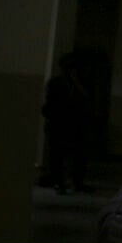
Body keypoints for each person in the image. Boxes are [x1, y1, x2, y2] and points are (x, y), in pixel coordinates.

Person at [40, 51, 97, 194]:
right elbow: (51, 104)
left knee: (77, 156)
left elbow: (87, 101)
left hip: (75, 124)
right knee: (58, 156)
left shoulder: (82, 83)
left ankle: (75, 182)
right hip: (61, 124)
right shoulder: (57, 83)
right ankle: (60, 182)